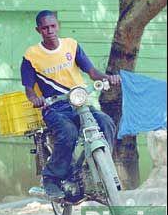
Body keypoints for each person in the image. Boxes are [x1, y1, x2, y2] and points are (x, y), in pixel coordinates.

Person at [20, 10, 121, 199]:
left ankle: (102, 168)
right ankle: (50, 179)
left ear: (58, 25)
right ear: (38, 30)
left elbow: (91, 72)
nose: (49, 30)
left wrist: (108, 78)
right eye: (45, 28)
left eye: (52, 26)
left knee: (106, 122)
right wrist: (35, 99)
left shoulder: (71, 45)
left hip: (80, 102)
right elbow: (29, 88)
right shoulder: (31, 55)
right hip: (54, 107)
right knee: (68, 132)